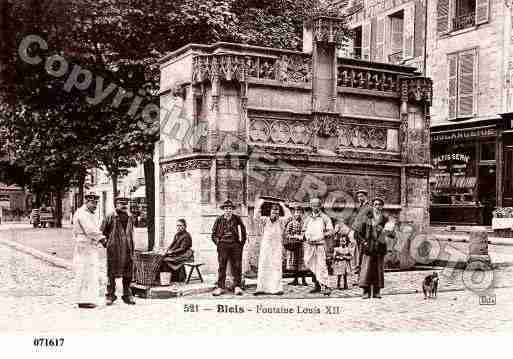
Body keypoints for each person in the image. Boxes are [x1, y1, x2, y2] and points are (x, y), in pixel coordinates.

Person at [72, 192, 106, 309]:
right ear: (86, 202)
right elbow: (90, 230)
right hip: (85, 246)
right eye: (93, 203)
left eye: (96, 203)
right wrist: (102, 239)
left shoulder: (89, 213)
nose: (95, 205)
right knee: (85, 272)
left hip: (89, 246)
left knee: (91, 272)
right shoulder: (82, 214)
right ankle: (84, 299)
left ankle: (88, 298)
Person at [101, 196, 136, 305]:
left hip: (127, 249)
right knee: (111, 272)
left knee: (128, 273)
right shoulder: (110, 216)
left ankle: (127, 295)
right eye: (121, 203)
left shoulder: (130, 217)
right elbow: (102, 231)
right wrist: (107, 243)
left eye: (126, 203)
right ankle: (110, 295)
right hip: (114, 249)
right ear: (116, 205)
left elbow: (131, 232)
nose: (124, 205)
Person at [253, 199, 291, 295]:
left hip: (276, 247)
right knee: (264, 266)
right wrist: (260, 204)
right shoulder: (265, 220)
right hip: (266, 247)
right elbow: (256, 217)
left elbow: (289, 217)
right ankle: (261, 288)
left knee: (276, 266)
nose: (275, 212)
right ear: (270, 211)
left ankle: (276, 289)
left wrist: (283, 205)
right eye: (273, 210)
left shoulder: (281, 221)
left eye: (277, 210)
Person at [211, 200, 247, 296]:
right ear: (223, 210)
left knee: (237, 265)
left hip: (235, 245)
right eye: (226, 209)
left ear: (232, 210)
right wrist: (218, 243)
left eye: (230, 209)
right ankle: (220, 287)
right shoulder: (219, 219)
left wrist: (240, 245)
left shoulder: (237, 219)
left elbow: (243, 232)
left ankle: (237, 286)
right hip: (223, 245)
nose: (228, 211)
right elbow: (213, 234)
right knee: (222, 265)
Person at [303, 197, 333, 295]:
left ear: (320, 206)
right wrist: (306, 236)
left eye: (317, 205)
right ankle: (316, 285)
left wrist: (321, 235)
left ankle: (327, 286)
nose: (315, 207)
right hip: (310, 245)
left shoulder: (325, 218)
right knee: (311, 264)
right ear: (311, 206)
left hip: (320, 245)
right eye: (313, 205)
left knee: (322, 265)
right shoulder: (308, 218)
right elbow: (303, 230)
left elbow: (330, 231)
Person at [359, 197, 388, 299]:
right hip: (369, 246)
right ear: (372, 206)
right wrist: (364, 242)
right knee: (367, 269)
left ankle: (377, 291)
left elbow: (390, 233)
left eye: (380, 204)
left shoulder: (385, 219)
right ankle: (365, 291)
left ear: (382, 206)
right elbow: (359, 232)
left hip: (380, 246)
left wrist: (385, 233)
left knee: (378, 270)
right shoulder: (367, 217)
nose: (378, 206)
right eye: (376, 204)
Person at [284, 203, 308, 286]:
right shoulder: (291, 223)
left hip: (302, 245)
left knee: (302, 263)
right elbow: (287, 234)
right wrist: (293, 236)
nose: (298, 213)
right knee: (294, 262)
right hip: (294, 245)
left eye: (299, 211)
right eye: (296, 211)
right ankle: (295, 279)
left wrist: (303, 236)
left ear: (302, 213)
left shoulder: (305, 223)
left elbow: (307, 233)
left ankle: (304, 280)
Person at [351, 189, 370, 276]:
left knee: (363, 255)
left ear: (365, 196)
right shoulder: (360, 207)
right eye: (358, 196)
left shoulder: (369, 207)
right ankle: (360, 276)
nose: (359, 198)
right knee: (359, 255)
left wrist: (366, 237)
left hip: (365, 235)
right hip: (358, 234)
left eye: (361, 196)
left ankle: (362, 277)